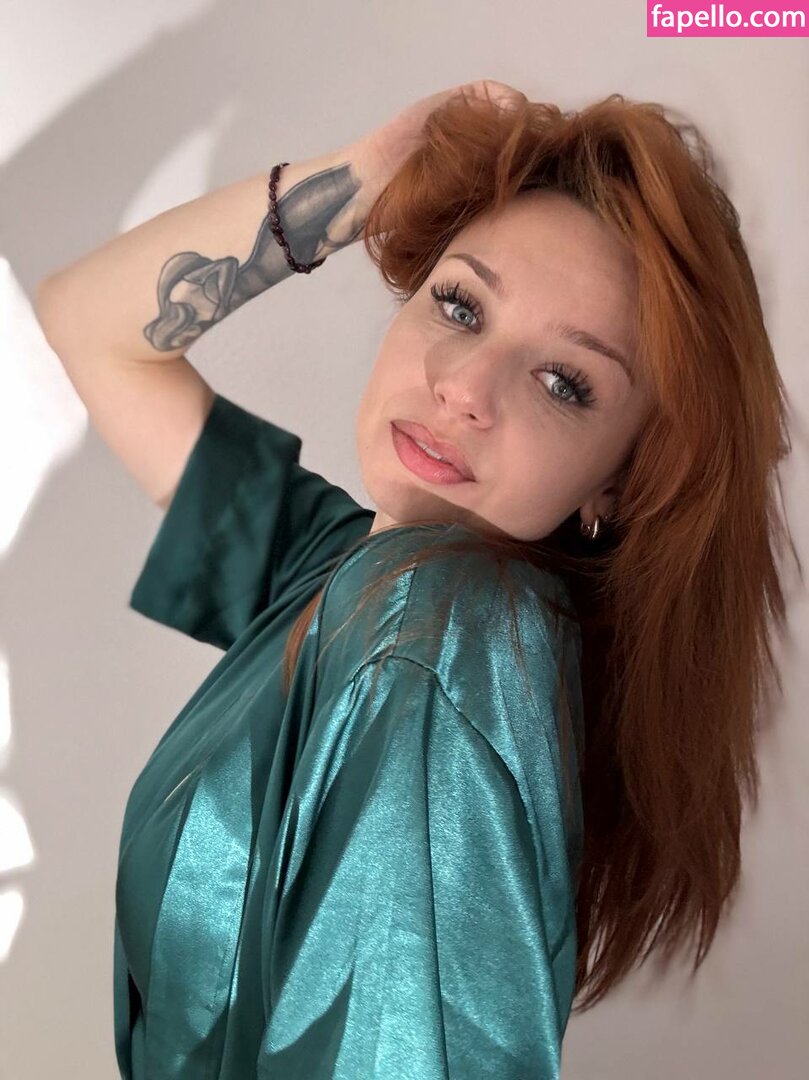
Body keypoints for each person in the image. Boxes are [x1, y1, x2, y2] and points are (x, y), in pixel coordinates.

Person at [35, 80, 793, 1079]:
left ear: (617, 481)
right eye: (459, 304)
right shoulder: (333, 566)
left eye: (563, 382)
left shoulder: (446, 632)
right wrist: (362, 179)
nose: (463, 388)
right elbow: (87, 324)